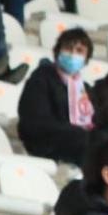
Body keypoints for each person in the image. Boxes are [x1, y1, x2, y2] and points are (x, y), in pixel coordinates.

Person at [16, 25, 96, 166]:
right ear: (57, 52)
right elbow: (35, 121)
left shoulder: (85, 89)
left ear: (86, 59)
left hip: (76, 139)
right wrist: (73, 130)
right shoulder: (41, 78)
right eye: (68, 48)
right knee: (83, 138)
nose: (72, 54)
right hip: (44, 141)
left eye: (79, 51)